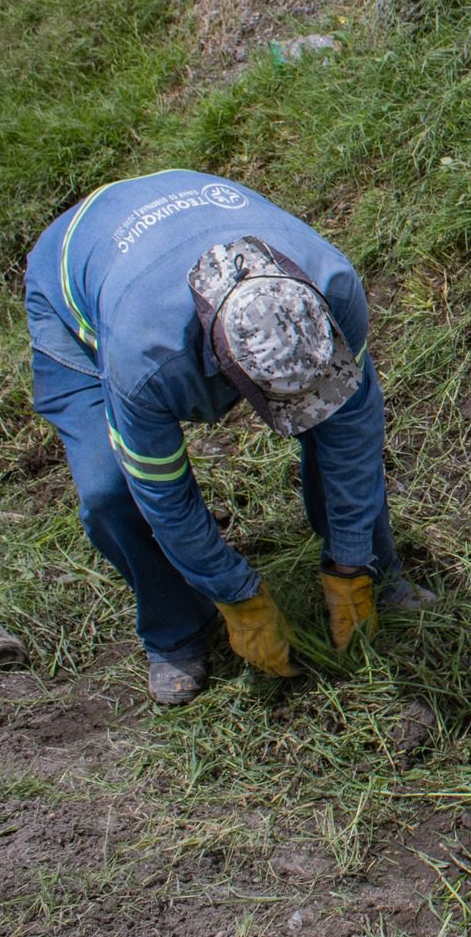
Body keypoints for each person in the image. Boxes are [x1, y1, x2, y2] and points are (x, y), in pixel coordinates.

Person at [24, 170, 430, 705]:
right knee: (110, 491)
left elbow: (352, 438)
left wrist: (352, 564)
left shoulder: (334, 289)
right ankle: (176, 631)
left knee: (335, 419)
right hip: (76, 275)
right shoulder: (147, 360)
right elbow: (163, 495)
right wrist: (236, 593)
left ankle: (376, 571)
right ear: (223, 368)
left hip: (181, 218)